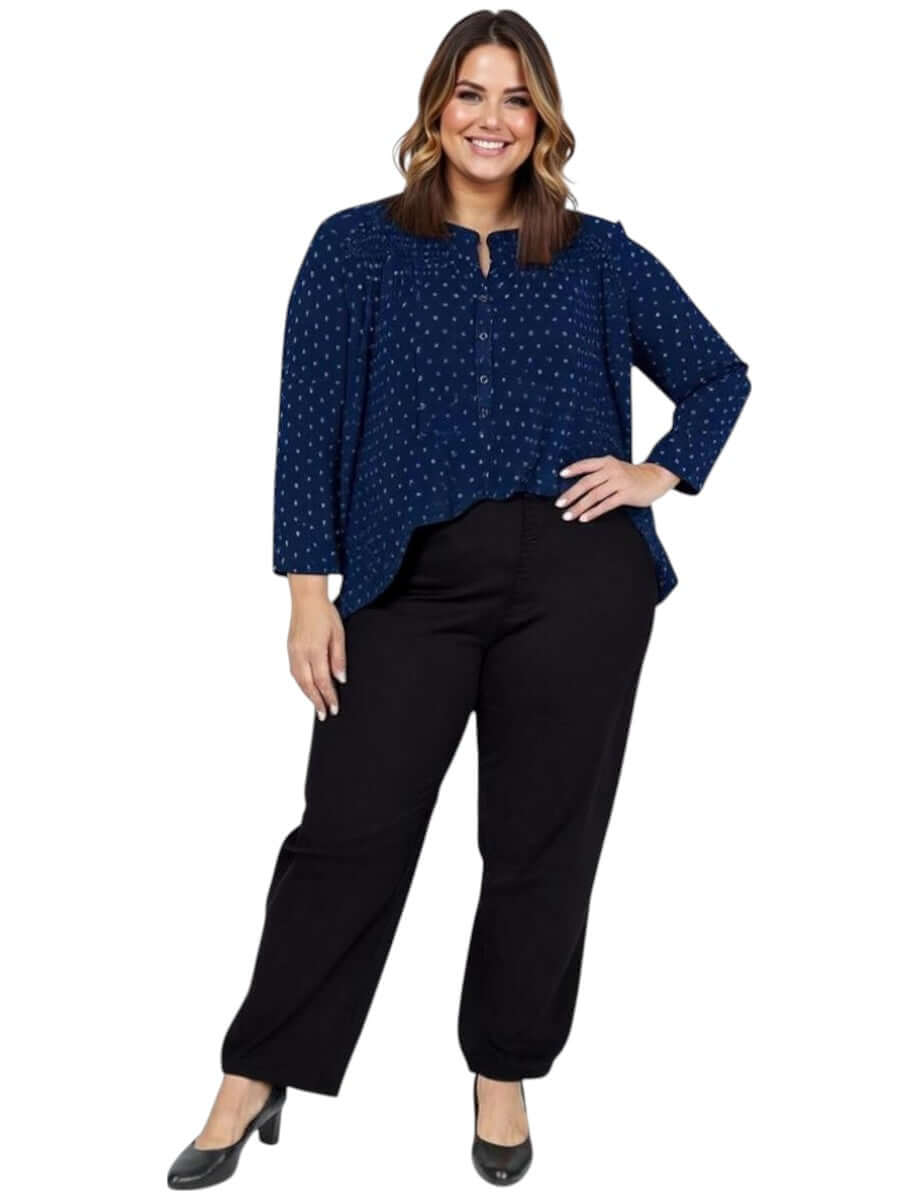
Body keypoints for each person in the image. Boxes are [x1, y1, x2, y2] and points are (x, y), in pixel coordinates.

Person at [167, 10, 751, 1190]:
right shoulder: (356, 249)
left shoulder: (597, 255)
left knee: (542, 840)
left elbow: (718, 375)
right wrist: (307, 594)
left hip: (579, 580)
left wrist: (659, 473)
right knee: (348, 833)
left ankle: (503, 1070)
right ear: (436, 111)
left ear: (545, 122)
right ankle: (258, 1069)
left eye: (517, 97)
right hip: (406, 580)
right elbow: (307, 429)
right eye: (471, 93)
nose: (492, 118)